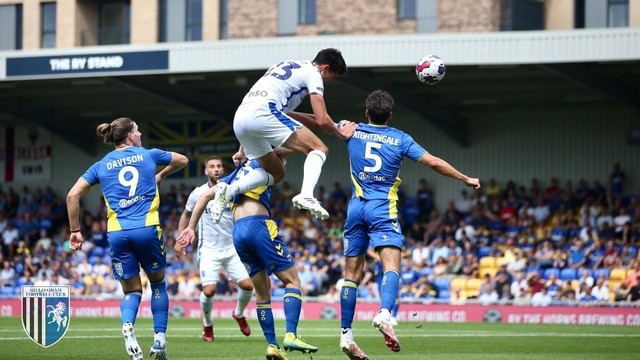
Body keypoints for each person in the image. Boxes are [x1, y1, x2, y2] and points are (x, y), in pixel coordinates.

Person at [338, 90, 481, 359]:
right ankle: (384, 313)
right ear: (390, 115)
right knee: (391, 265)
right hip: (382, 208)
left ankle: (345, 334)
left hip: (355, 208)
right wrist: (465, 178)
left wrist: (284, 112)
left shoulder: (351, 129)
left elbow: (318, 121)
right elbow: (434, 163)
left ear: (366, 112)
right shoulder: (400, 138)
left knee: (351, 274)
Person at [66, 117, 188, 360]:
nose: (140, 133)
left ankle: (127, 327)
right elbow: (183, 160)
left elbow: (72, 196)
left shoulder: (100, 165)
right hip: (147, 229)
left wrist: (75, 230)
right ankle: (159, 342)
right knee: (157, 284)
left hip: (118, 233)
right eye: (137, 129)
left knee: (131, 292)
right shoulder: (148, 155)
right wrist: (161, 174)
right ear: (130, 136)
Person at [177, 153, 317, 360]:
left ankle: (272, 345)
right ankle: (291, 335)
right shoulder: (263, 165)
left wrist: (190, 228)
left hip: (238, 234)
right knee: (293, 280)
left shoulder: (233, 176)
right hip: (258, 225)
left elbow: (206, 196)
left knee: (261, 294)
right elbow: (279, 143)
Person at [209, 48, 358, 223]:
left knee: (276, 172)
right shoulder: (314, 74)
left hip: (242, 117)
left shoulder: (286, 66)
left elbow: (294, 117)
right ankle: (306, 195)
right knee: (318, 148)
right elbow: (321, 120)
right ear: (324, 68)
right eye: (330, 77)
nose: (328, 82)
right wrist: (341, 133)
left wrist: (243, 148)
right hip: (263, 113)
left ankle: (229, 190)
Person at [177, 155, 253, 342]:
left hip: (231, 248)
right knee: (209, 291)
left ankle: (238, 313)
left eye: (219, 166)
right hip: (209, 249)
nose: (216, 169)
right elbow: (186, 214)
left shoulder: (232, 189)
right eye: (212, 166)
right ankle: (208, 323)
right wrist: (181, 238)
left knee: (248, 286)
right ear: (206, 171)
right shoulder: (198, 193)